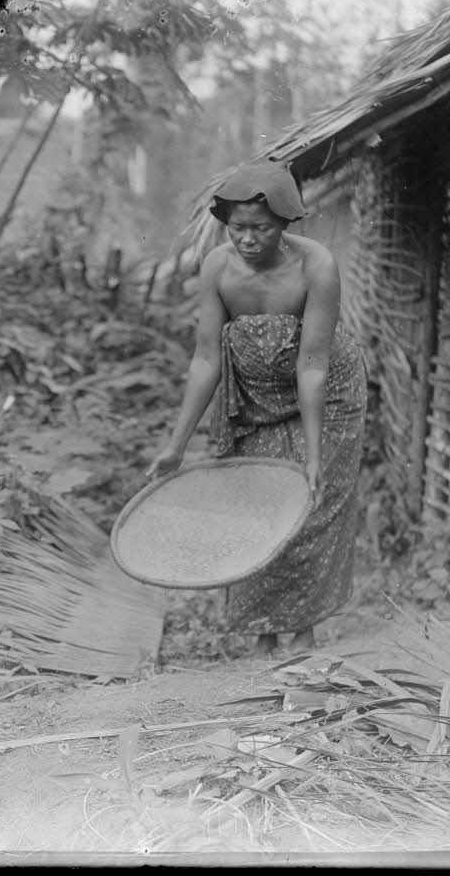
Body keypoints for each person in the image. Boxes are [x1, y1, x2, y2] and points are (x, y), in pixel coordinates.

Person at [148, 160, 366, 656]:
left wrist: (314, 456)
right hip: (256, 394)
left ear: (285, 223)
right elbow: (206, 359)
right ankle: (265, 629)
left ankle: (304, 630)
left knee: (312, 502)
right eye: (237, 228)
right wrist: (176, 446)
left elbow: (313, 364)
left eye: (261, 229)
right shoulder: (217, 267)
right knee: (258, 504)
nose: (247, 239)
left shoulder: (316, 266)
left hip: (327, 392)